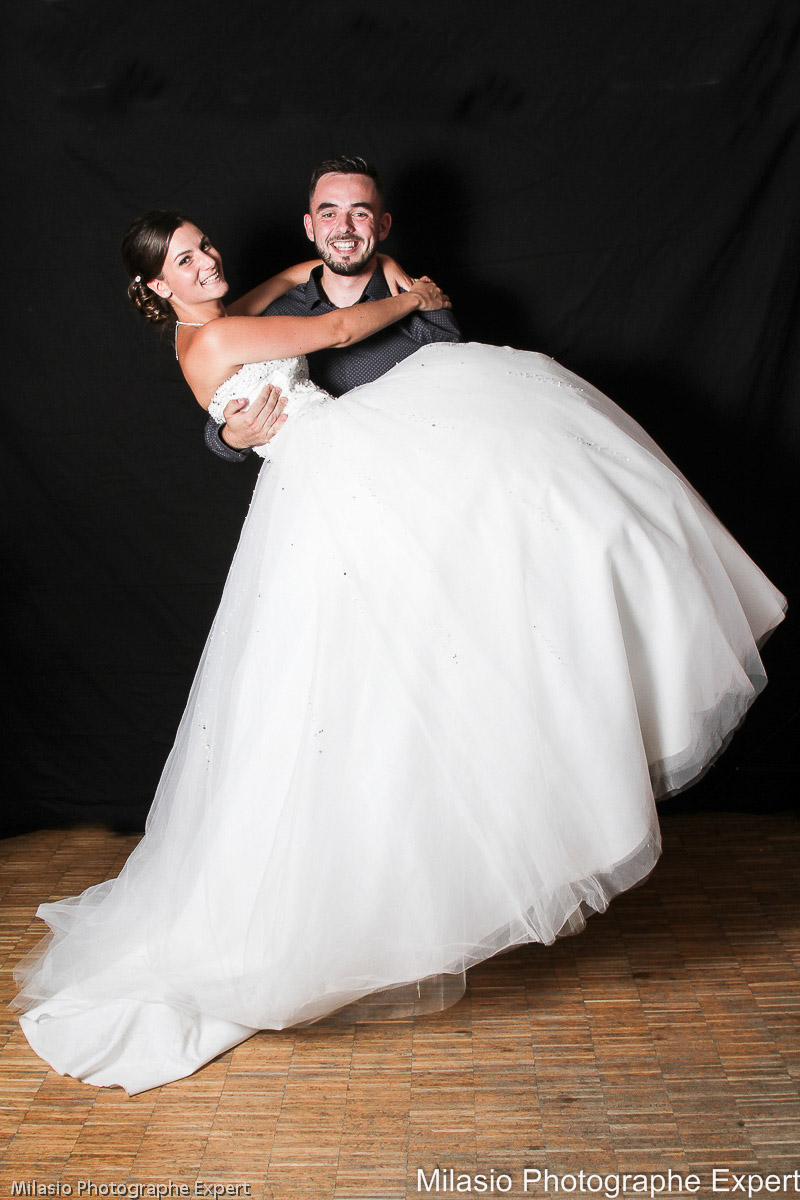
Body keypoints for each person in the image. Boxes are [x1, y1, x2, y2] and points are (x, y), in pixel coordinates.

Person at [14, 197, 786, 1096]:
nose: (206, 263)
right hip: (327, 477)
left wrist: (336, 271)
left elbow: (293, 282)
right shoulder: (216, 339)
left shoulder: (218, 319)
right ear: (155, 288)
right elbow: (338, 328)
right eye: (184, 262)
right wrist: (413, 298)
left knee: (441, 624)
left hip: (332, 471)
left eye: (204, 247)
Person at [204, 156, 462, 462]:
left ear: (382, 226)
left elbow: (462, 408)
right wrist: (232, 437)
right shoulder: (274, 315)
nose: (344, 227)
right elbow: (224, 405)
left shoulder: (427, 311)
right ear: (310, 227)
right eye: (329, 213)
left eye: (360, 213)